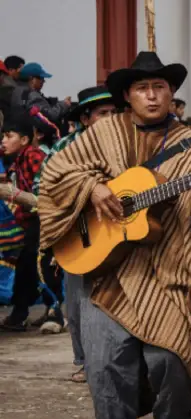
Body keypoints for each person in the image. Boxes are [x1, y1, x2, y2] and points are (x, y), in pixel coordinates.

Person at [36, 51, 191, 419]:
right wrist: (92, 188)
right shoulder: (102, 133)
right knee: (104, 359)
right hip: (107, 267)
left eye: (160, 87)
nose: (151, 95)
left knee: (170, 354)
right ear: (128, 95)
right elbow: (56, 171)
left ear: (172, 94)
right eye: (142, 88)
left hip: (170, 267)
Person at [36, 85, 117, 381]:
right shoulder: (64, 148)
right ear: (85, 119)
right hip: (76, 233)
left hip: (116, 232)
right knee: (78, 299)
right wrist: (83, 196)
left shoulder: (125, 144)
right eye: (102, 114)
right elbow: (42, 187)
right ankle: (84, 361)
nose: (109, 119)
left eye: (113, 113)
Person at [0, 112, 53, 332]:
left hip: (41, 219)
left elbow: (42, 191)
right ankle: (22, 313)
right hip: (30, 223)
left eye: (8, 135)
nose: (3, 140)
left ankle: (53, 312)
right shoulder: (17, 161)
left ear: (24, 140)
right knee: (28, 267)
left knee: (40, 267)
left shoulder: (33, 156)